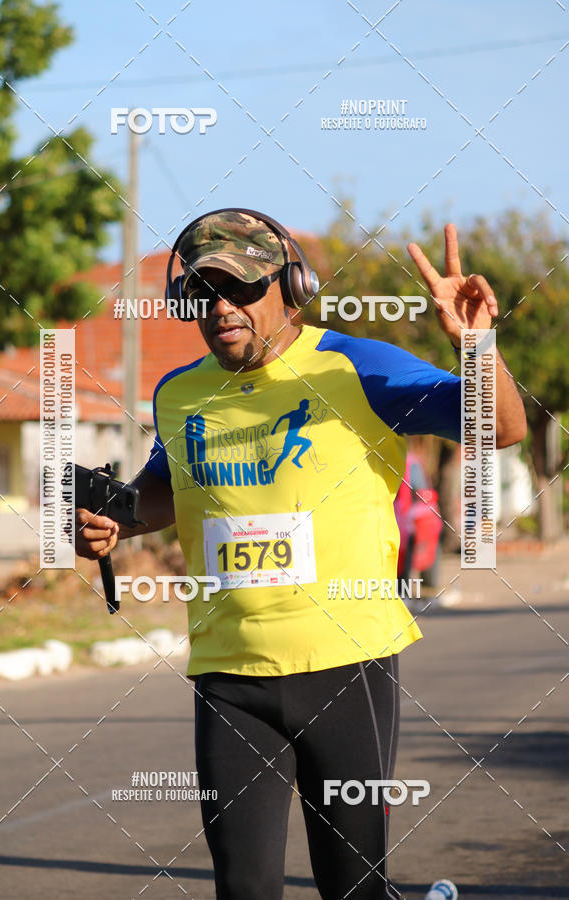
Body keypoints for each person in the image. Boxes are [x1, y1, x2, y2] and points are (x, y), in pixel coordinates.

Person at [75, 210, 526, 899]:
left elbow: (501, 426)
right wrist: (117, 522)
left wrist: (478, 346)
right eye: (202, 293)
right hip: (230, 674)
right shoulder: (180, 392)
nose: (221, 308)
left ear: (292, 286)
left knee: (352, 887)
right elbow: (167, 488)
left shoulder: (353, 366)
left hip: (346, 668)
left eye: (241, 289)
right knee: (244, 888)